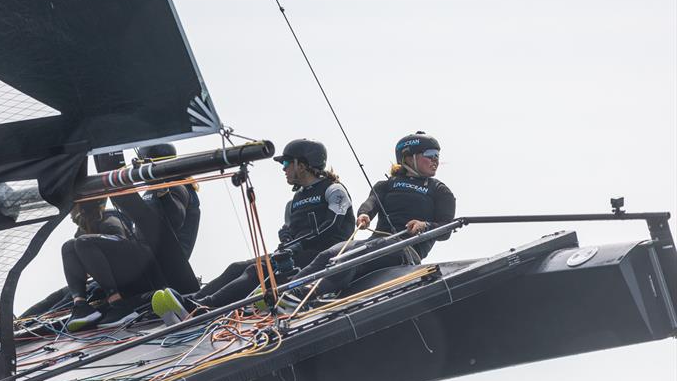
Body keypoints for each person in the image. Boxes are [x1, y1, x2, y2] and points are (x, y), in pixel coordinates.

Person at [151, 138, 356, 320]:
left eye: (286, 163)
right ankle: (191, 300)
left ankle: (202, 308)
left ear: (301, 165)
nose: (283, 168)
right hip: (297, 253)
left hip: (324, 256)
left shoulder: (333, 189)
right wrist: (287, 237)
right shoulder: (296, 199)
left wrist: (299, 243)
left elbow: (332, 226)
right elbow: (290, 230)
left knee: (256, 270)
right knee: (236, 266)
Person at [285, 131, 456, 303]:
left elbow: (446, 229)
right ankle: (286, 293)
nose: (436, 160)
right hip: (375, 242)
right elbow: (371, 202)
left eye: (437, 155)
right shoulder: (387, 185)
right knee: (329, 254)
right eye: (430, 155)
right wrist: (364, 214)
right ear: (408, 157)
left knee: (351, 257)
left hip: (405, 249)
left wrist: (424, 225)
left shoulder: (440, 191)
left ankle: (307, 293)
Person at [90, 143, 202, 328]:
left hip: (167, 264)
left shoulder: (178, 187)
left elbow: (175, 219)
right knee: (92, 288)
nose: (136, 169)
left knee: (93, 247)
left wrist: (162, 189)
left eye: (139, 164)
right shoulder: (151, 191)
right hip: (149, 257)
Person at [62, 199, 160, 331]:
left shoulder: (111, 220)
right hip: (113, 276)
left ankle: (118, 304)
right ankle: (81, 306)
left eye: (72, 208)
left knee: (83, 242)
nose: (69, 214)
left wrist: (90, 251)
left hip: (136, 274)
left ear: (82, 207)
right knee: (68, 246)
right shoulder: (81, 232)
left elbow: (123, 248)